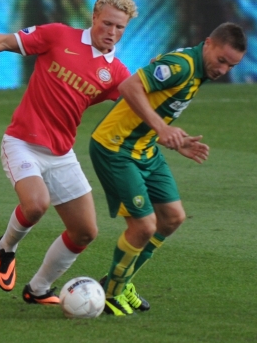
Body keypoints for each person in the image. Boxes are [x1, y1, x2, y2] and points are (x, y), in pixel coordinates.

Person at [0, 0, 139, 306]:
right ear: (94, 18)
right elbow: (4, 41)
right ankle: (6, 247)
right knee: (36, 205)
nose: (112, 31)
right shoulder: (58, 35)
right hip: (22, 143)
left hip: (61, 154)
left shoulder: (118, 74)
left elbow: (140, 107)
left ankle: (39, 289)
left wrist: (167, 131)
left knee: (85, 232)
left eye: (119, 27)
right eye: (107, 23)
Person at [89, 22, 247, 315]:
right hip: (115, 147)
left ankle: (123, 281)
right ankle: (112, 294)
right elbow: (129, 86)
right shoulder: (183, 66)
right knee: (144, 226)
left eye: (231, 66)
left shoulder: (198, 70)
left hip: (144, 148)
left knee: (173, 218)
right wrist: (161, 127)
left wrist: (176, 140)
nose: (223, 70)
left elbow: (158, 99)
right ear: (208, 43)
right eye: (221, 60)